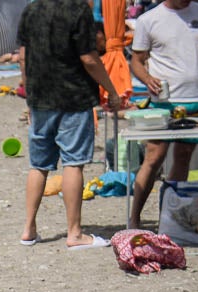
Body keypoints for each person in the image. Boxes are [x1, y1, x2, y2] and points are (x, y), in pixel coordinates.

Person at [18, 0, 122, 250]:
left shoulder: (31, 10)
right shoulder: (78, 10)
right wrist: (111, 89)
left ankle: (28, 230)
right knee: (73, 163)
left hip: (40, 97)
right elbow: (89, 58)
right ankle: (74, 233)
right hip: (74, 97)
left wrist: (29, 95)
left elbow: (23, 57)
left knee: (38, 165)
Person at [128, 0, 198, 229]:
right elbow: (136, 60)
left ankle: (169, 216)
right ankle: (134, 218)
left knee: (184, 156)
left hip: (197, 98)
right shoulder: (149, 19)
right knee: (154, 157)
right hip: (164, 101)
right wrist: (146, 79)